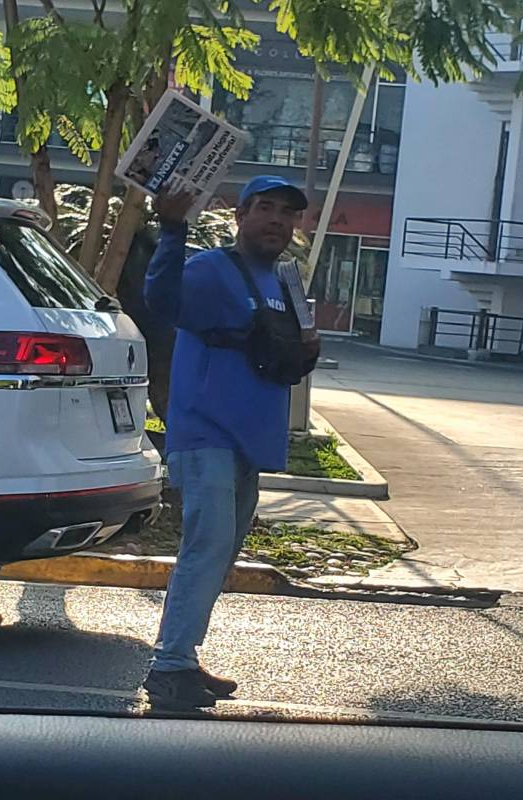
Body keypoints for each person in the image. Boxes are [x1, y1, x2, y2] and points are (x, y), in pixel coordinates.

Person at [142, 175, 320, 710]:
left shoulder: (286, 280)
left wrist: (307, 346)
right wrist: (172, 228)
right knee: (207, 546)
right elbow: (162, 300)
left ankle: (183, 656)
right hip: (206, 432)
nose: (277, 220)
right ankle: (169, 667)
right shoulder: (209, 269)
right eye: (265, 208)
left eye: (287, 213)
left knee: (221, 554)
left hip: (253, 438)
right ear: (240, 216)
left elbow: (296, 357)